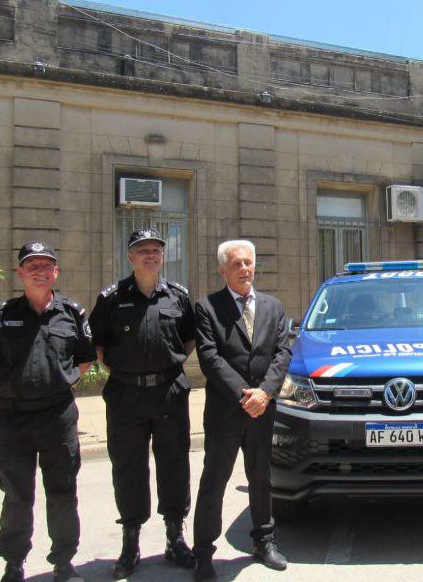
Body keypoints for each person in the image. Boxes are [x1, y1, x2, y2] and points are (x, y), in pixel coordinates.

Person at [0, 241, 95, 582]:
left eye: (46, 266)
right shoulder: (3, 315)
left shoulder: (73, 314)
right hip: (13, 419)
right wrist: (16, 386)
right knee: (16, 494)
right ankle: (14, 563)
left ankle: (64, 563)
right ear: (20, 273)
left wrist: (60, 382)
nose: (40, 271)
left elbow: (85, 360)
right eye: (32, 266)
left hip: (57, 418)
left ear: (56, 272)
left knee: (62, 492)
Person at [89, 229, 197, 578]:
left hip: (168, 391)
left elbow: (190, 339)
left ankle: (174, 536)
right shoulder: (110, 298)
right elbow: (99, 347)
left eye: (156, 250)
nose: (151, 255)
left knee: (174, 462)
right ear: (130, 257)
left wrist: (163, 366)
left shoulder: (178, 296)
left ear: (162, 257)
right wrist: (131, 371)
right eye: (143, 250)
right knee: (128, 467)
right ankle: (130, 540)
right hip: (125, 394)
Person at [192, 240, 293, 582]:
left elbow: (282, 354)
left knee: (261, 478)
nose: (246, 269)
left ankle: (264, 541)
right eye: (237, 264)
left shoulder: (273, 307)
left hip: (262, 411)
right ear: (223, 270)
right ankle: (203, 552)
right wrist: (244, 395)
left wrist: (264, 394)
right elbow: (210, 358)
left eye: (249, 263)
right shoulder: (207, 307)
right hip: (225, 413)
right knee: (214, 481)